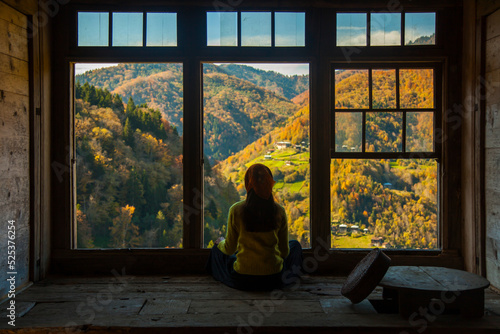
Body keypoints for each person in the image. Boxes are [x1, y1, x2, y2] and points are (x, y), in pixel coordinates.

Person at [206, 163, 303, 291]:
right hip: (274, 279)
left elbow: (229, 249)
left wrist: (220, 243)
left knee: (217, 250)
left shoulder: (236, 210)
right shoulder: (279, 211)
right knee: (295, 245)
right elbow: (285, 252)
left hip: (243, 279)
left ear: (248, 183)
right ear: (270, 183)